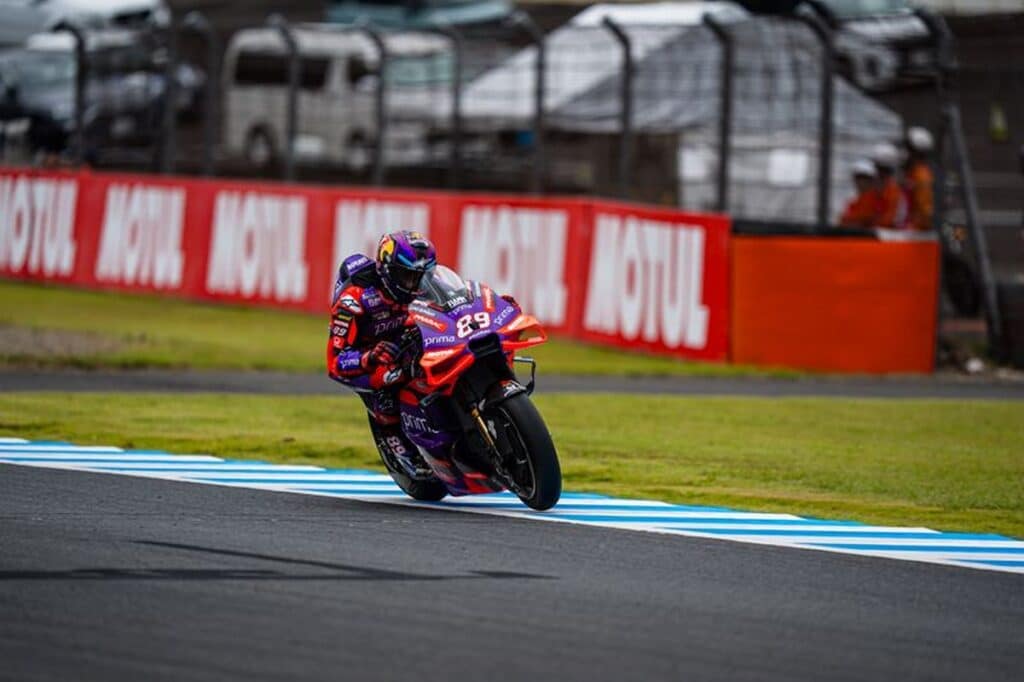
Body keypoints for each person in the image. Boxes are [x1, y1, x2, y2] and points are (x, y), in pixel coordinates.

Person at [327, 230, 438, 479]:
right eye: (408, 276)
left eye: (422, 276)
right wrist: (369, 358)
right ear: (388, 270)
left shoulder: (426, 284)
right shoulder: (354, 300)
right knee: (388, 380)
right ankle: (402, 451)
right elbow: (335, 363)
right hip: (365, 356)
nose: (416, 284)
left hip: (403, 337)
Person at [903, 126, 935, 232]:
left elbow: (925, 210)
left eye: (907, 149)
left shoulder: (921, 175)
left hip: (918, 232)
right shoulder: (912, 173)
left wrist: (914, 226)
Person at [871, 142, 907, 229]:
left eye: (878, 168)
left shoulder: (893, 190)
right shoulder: (877, 188)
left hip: (890, 236)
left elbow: (890, 219)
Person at [839, 159, 881, 229]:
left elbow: (866, 220)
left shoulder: (875, 199)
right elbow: (843, 220)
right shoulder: (854, 200)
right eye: (858, 178)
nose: (860, 182)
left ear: (871, 180)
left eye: (864, 178)